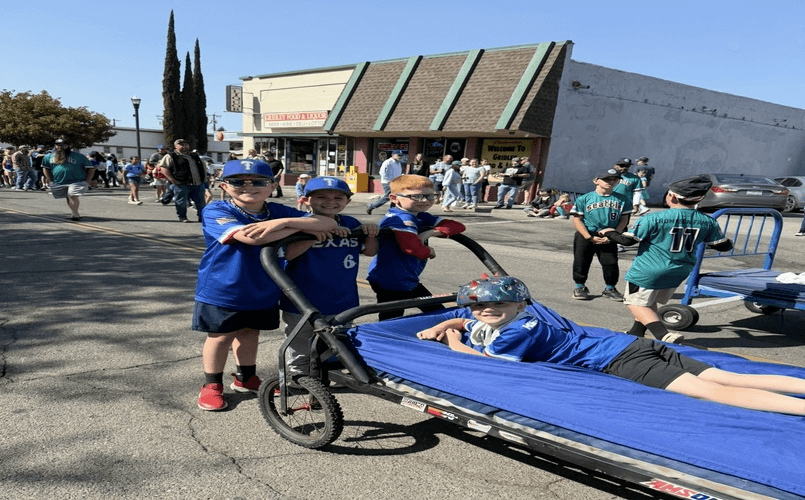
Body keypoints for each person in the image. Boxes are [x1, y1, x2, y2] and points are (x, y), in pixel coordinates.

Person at [417, 275, 805, 416]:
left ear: (520, 306)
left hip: (620, 359)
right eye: (478, 307)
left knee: (711, 391)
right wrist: (447, 322)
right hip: (630, 344)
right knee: (726, 376)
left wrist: (450, 338)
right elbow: (467, 320)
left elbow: (484, 361)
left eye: (497, 305)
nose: (485, 312)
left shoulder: (518, 332)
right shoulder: (515, 318)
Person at [193, 159, 339, 411]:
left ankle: (246, 377)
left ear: (272, 186)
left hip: (264, 286)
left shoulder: (276, 212)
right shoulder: (217, 209)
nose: (248, 186)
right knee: (221, 337)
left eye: (258, 182)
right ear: (224, 186)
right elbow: (251, 237)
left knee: (250, 333)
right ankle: (212, 384)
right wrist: (299, 229)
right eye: (237, 182)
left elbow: (329, 223)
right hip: (224, 287)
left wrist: (279, 223)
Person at [600, 175, 733, 344]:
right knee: (648, 301)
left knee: (635, 303)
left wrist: (609, 232)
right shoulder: (707, 221)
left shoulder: (652, 218)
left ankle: (663, 335)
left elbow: (627, 241)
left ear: (673, 197)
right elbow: (723, 246)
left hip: (649, 270)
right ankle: (636, 332)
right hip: (680, 269)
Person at [279, 176, 379, 377]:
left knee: (338, 342)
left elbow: (370, 251)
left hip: (343, 299)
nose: (330, 201)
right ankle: (297, 379)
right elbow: (287, 254)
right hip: (303, 300)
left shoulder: (350, 223)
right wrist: (314, 235)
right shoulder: (300, 223)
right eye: (321, 197)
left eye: (337, 198)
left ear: (347, 201)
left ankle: (330, 375)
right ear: (306, 200)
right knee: (301, 342)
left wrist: (370, 233)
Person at [367, 175, 466, 320]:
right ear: (394, 198)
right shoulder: (401, 219)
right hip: (391, 280)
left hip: (407, 277)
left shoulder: (420, 215)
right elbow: (412, 248)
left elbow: (458, 226)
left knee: (436, 311)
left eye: (430, 196)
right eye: (416, 196)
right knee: (392, 319)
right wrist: (429, 251)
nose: (425, 200)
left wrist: (431, 232)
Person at [569, 168, 631, 301]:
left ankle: (610, 288)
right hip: (587, 233)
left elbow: (624, 219)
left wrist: (614, 234)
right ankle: (580, 287)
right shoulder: (584, 198)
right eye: (607, 179)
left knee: (611, 262)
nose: (611, 181)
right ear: (596, 181)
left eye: (615, 179)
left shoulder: (623, 199)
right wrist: (589, 237)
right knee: (581, 261)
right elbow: (577, 219)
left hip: (609, 233)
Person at [41, 139, 96, 221]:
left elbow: (90, 169)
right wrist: (50, 180)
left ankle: (76, 214)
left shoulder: (79, 156)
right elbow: (46, 168)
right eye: (58, 145)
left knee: (72, 195)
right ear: (55, 146)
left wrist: (88, 180)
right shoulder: (48, 157)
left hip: (77, 180)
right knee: (68, 196)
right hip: (59, 181)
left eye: (63, 145)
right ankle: (74, 213)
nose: (61, 147)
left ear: (68, 146)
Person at [157, 138, 208, 223]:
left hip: (197, 183)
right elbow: (163, 168)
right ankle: (183, 217)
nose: (184, 146)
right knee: (181, 202)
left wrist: (204, 179)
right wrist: (172, 179)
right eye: (181, 145)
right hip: (181, 183)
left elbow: (202, 167)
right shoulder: (171, 156)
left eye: (186, 144)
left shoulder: (194, 155)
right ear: (176, 146)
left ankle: (202, 217)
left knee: (201, 202)